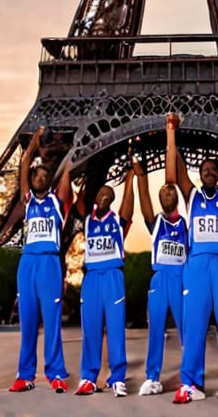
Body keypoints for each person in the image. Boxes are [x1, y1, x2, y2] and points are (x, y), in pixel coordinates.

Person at [0, 128, 74, 393]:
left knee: (51, 321)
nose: (40, 178)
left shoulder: (58, 201)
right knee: (28, 320)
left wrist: (70, 148)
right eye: (36, 175)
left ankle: (55, 374)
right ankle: (25, 374)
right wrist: (33, 144)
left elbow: (68, 170)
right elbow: (23, 166)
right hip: (28, 263)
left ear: (49, 180)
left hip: (50, 263)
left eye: (44, 175)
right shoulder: (27, 201)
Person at [166, 113, 218, 404]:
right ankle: (190, 383)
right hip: (197, 265)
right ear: (201, 175)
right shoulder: (191, 196)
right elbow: (175, 172)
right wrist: (171, 131)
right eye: (206, 170)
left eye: (214, 169)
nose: (211, 172)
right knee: (195, 326)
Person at [74, 166, 136, 397]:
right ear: (96, 197)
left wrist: (130, 178)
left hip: (112, 276)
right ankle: (89, 378)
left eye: (109, 195)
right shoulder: (88, 219)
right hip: (91, 277)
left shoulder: (117, 222)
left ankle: (118, 378)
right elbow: (79, 199)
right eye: (101, 193)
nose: (105, 196)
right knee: (90, 328)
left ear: (112, 200)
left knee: (116, 328)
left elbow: (129, 207)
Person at [135, 159, 188, 396]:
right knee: (156, 328)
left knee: (187, 329)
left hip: (181, 278)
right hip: (160, 278)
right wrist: (140, 176)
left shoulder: (187, 224)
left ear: (176, 196)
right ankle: (152, 377)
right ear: (160, 199)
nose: (167, 192)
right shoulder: (155, 221)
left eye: (171, 189)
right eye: (163, 191)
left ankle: (190, 375)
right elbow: (143, 197)